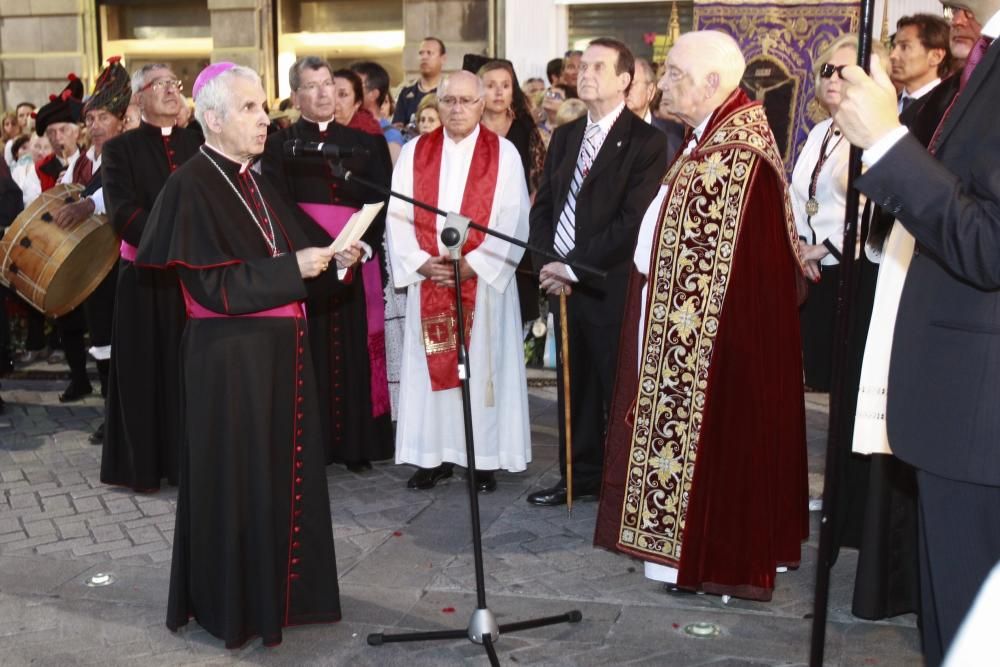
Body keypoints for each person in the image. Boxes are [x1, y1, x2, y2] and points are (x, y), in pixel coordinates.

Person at [137, 62, 359, 649]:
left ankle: (283, 597)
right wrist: (297, 267)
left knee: (283, 482)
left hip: (279, 361)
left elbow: (293, 253)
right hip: (230, 365)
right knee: (239, 486)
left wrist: (333, 259)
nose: (266, 119)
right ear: (212, 119)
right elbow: (215, 288)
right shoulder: (190, 184)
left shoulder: (255, 179)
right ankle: (237, 605)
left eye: (264, 107)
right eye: (250, 108)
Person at [593, 30, 808, 601]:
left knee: (718, 439)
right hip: (688, 328)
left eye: (677, 75)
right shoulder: (707, 139)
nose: (663, 83)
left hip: (716, 348)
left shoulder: (734, 157)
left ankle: (709, 554)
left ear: (714, 84)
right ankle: (684, 553)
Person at [833, 0, 1000, 659]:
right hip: (959, 411)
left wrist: (886, 143)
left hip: (981, 420)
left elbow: (988, 243)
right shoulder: (984, 58)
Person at [526, 38, 669, 507]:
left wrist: (572, 267)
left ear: (625, 80)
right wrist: (546, 263)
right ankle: (579, 477)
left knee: (617, 387)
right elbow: (545, 205)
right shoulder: (566, 135)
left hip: (609, 285)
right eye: (582, 66)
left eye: (598, 67)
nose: (585, 73)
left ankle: (627, 487)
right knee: (575, 385)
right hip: (562, 281)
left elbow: (633, 220)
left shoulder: (647, 142)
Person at [385, 70, 531, 493]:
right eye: (449, 101)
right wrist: (418, 262)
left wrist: (477, 263)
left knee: (482, 369)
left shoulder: (503, 154)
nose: (457, 109)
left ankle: (480, 459)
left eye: (467, 101)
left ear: (482, 105)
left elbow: (514, 219)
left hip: (482, 288)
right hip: (430, 280)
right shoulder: (414, 153)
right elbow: (399, 216)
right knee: (430, 369)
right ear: (437, 104)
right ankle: (434, 457)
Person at [263, 56, 395, 472]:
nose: (324, 94)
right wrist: (325, 248)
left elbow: (382, 199)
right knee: (312, 352)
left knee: (355, 350)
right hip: (308, 262)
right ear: (296, 95)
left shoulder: (366, 143)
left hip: (356, 260)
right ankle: (314, 448)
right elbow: (279, 205)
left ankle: (356, 446)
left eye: (329, 85)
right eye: (313, 86)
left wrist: (360, 247)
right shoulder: (279, 144)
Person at [99, 63, 202, 491]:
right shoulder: (119, 150)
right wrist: (173, 240)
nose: (171, 90)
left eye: (175, 84)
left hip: (193, 279)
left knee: (188, 370)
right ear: (138, 98)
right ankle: (144, 468)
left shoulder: (199, 143)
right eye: (160, 84)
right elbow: (122, 212)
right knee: (144, 371)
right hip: (143, 276)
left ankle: (188, 465)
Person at [47, 56, 131, 441]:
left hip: (125, 264)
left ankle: (123, 418)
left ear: (121, 120)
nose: (94, 126)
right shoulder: (88, 161)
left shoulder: (128, 152)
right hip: (97, 266)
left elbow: (110, 193)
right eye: (90, 119)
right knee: (102, 340)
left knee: (124, 341)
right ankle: (113, 414)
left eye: (102, 118)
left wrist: (87, 203)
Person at [479, 60, 546, 325]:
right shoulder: (470, 129)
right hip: (476, 227)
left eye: (505, 86)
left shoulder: (526, 130)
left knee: (517, 314)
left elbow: (539, 183)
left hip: (518, 229)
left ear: (512, 91)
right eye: (491, 86)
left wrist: (520, 219)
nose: (498, 92)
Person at [891, 14, 952, 112]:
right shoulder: (886, 106)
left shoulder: (950, 109)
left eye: (904, 47)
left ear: (936, 56)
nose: (893, 55)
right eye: (894, 47)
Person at [628, 57, 684, 159]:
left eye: (632, 84)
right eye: (622, 83)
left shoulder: (676, 134)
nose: (625, 90)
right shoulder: (600, 133)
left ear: (650, 91)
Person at [351, 60, 405, 164]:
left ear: (373, 94)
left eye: (356, 86)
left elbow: (393, 176)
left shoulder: (390, 135)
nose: (351, 90)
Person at [393, 36, 447, 129]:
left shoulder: (448, 92)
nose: (424, 57)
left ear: (443, 58)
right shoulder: (406, 93)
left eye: (429, 53)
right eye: (421, 53)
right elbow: (397, 126)